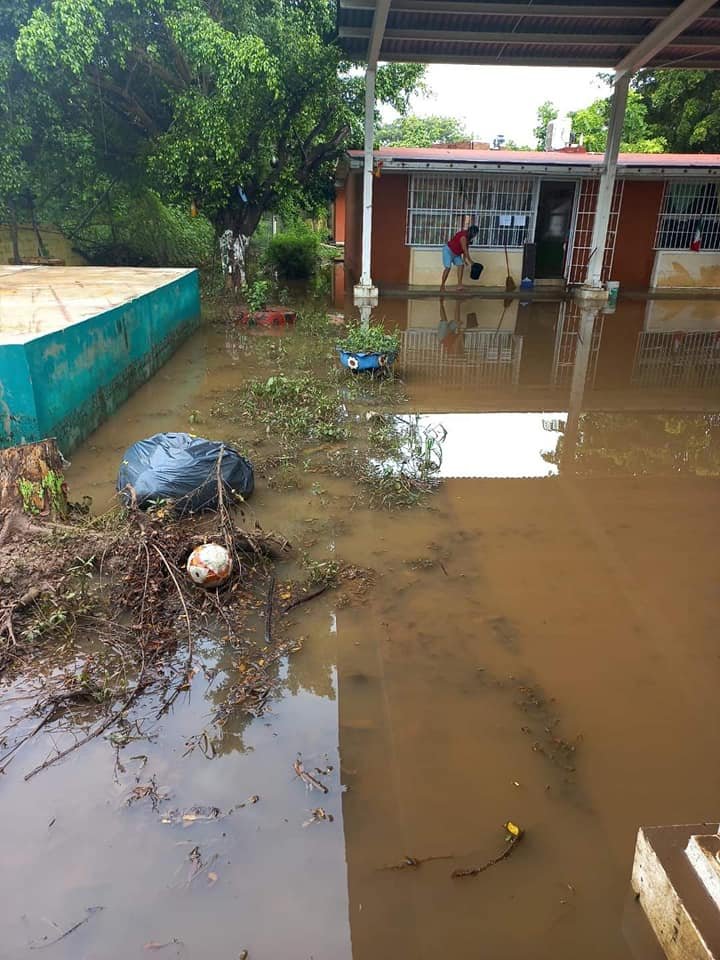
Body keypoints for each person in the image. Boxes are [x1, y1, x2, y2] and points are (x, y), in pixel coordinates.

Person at [441, 224, 478, 291]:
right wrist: (471, 261)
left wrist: (464, 259)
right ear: (472, 232)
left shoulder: (468, 237)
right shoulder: (463, 237)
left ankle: (459, 285)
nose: (475, 236)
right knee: (448, 267)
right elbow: (465, 249)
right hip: (448, 250)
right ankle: (442, 285)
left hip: (456, 253)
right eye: (475, 234)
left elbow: (466, 248)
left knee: (461, 265)